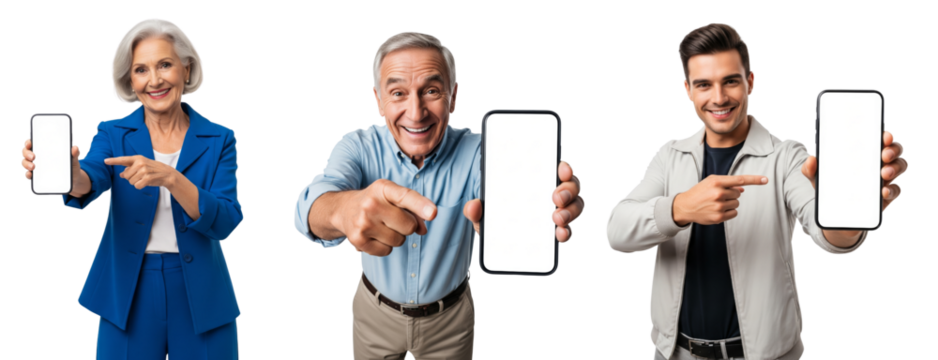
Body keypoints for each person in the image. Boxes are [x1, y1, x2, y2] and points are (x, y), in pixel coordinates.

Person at [604, 21, 908, 360]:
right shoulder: (669, 154)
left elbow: (829, 238)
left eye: (730, 81)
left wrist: (847, 213)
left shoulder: (787, 156)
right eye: (704, 85)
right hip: (674, 354)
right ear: (688, 90)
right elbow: (617, 233)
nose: (718, 98)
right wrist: (681, 208)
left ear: (750, 82)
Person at [292, 29, 585, 359]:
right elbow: (312, 201)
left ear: (453, 97)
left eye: (431, 90)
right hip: (373, 315)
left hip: (451, 321)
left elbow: (499, 196)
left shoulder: (481, 151)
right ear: (378, 101)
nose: (416, 113)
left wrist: (542, 204)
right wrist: (341, 210)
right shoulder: (357, 146)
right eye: (399, 93)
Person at [21, 17, 243, 359]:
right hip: (128, 291)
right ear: (130, 79)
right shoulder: (113, 132)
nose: (154, 80)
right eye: (141, 70)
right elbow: (91, 179)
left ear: (186, 69)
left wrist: (170, 178)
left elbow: (227, 220)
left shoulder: (220, 137)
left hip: (202, 293)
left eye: (164, 65)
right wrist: (69, 172)